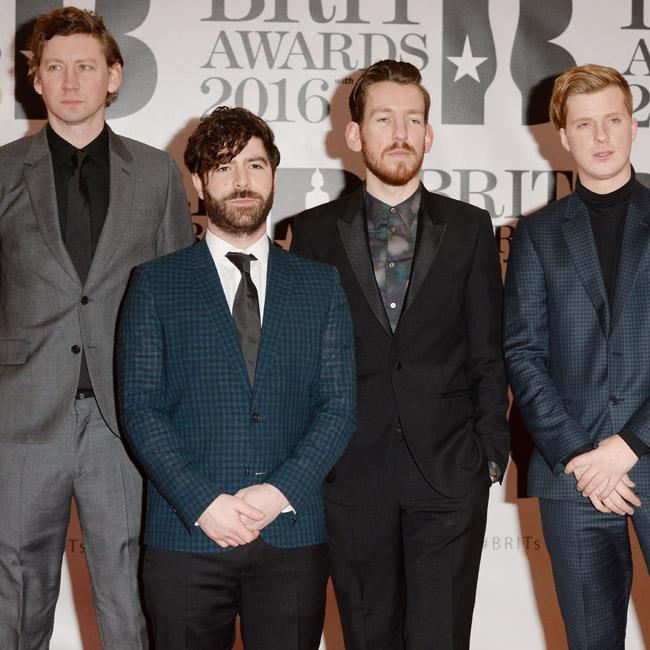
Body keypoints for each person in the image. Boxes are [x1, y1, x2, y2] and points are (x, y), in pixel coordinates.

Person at [116, 106, 356, 650]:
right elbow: (140, 410)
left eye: (254, 165)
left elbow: (339, 407)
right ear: (199, 182)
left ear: (274, 175)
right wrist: (203, 502)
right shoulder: (155, 284)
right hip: (185, 536)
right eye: (224, 167)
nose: (242, 181)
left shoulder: (320, 286)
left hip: (291, 534)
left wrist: (279, 494)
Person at [291, 59, 509, 650]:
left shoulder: (470, 227)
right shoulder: (311, 233)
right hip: (350, 475)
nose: (400, 133)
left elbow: (488, 351)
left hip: (450, 472)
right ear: (354, 133)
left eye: (413, 120)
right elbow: (302, 362)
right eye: (384, 119)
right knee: (368, 639)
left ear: (429, 134)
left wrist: (490, 454)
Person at [0, 7, 194, 649]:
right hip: (20, 420)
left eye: (85, 66)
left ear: (113, 77)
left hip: (125, 419)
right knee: (14, 596)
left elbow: (178, 305)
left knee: (129, 599)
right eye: (54, 67)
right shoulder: (2, 171)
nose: (69, 81)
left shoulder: (157, 174)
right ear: (35, 79)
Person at [504, 63, 650, 650]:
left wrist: (629, 444)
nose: (601, 136)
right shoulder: (536, 234)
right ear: (563, 136)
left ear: (633, 125)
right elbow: (522, 352)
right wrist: (580, 456)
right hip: (574, 477)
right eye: (585, 124)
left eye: (612, 119)